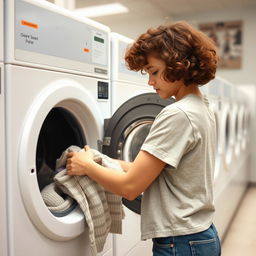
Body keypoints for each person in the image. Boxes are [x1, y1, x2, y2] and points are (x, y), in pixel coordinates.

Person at [66, 21, 221, 256]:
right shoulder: (200, 107)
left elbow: (130, 188)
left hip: (180, 243)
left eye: (154, 72)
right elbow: (159, 173)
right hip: (199, 235)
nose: (150, 82)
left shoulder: (177, 114)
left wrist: (86, 167)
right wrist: (107, 162)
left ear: (180, 64)